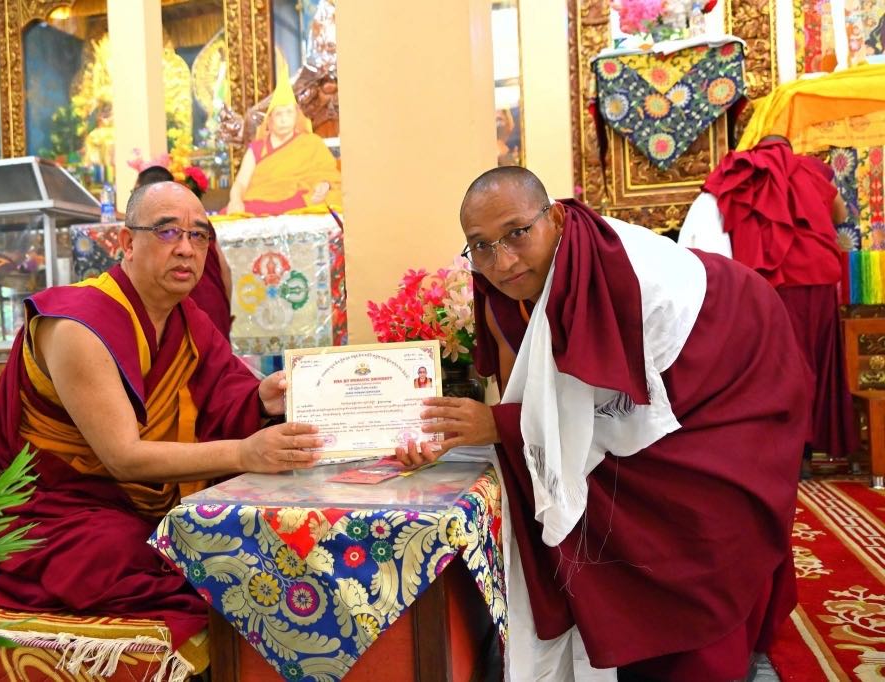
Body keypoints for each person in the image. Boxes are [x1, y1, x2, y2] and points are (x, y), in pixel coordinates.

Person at [396, 167, 810, 680]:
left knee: (708, 517)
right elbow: (525, 396)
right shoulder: (506, 285)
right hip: (657, 387)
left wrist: (497, 425)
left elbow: (613, 406)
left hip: (734, 372)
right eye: (481, 246)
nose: (502, 262)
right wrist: (470, 429)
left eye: (517, 234)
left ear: (554, 218)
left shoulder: (609, 272)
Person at [0, 181, 322, 650]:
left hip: (136, 507)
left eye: (199, 235)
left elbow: (225, 396)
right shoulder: (77, 324)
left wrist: (260, 399)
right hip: (51, 512)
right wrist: (245, 452)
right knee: (139, 555)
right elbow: (124, 457)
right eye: (167, 231)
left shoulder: (187, 321)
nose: (186, 248)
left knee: (239, 540)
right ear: (126, 242)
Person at [680, 135, 858, 478]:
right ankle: (809, 451)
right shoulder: (809, 169)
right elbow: (840, 213)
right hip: (819, 280)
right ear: (789, 150)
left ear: (757, 149)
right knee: (816, 362)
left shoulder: (741, 168)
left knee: (780, 364)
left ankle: (787, 452)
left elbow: (714, 215)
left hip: (773, 282)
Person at [225, 59, 341, 215]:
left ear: (297, 117)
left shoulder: (311, 143)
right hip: (258, 205)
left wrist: (324, 186)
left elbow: (329, 177)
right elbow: (240, 182)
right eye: (279, 114)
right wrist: (236, 200)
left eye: (289, 113)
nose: (284, 119)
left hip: (298, 203)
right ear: (270, 120)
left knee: (335, 198)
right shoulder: (257, 148)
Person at [134, 165, 234, 339]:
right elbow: (225, 270)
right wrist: (225, 309)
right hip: (215, 307)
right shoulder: (200, 221)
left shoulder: (148, 227)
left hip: (184, 313)